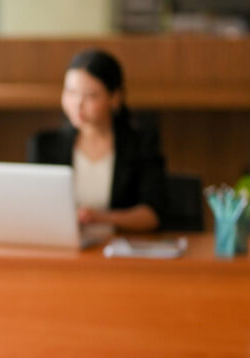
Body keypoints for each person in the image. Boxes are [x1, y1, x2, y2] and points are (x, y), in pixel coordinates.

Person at [28, 49, 167, 232]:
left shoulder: (141, 144)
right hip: (62, 243)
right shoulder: (44, 144)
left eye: (90, 95)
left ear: (115, 98)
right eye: (71, 92)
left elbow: (152, 215)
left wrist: (100, 218)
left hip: (118, 244)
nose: (78, 103)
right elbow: (35, 209)